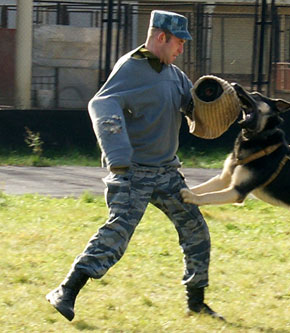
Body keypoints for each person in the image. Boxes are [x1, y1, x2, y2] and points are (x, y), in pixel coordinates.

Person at [46, 10, 223, 321]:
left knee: (196, 231)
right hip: (134, 174)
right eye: (179, 42)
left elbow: (194, 106)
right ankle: (66, 290)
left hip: (167, 173)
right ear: (160, 37)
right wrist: (118, 155)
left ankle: (196, 303)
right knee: (115, 236)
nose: (182, 49)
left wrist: (220, 102)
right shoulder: (130, 69)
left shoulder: (174, 74)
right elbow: (101, 104)